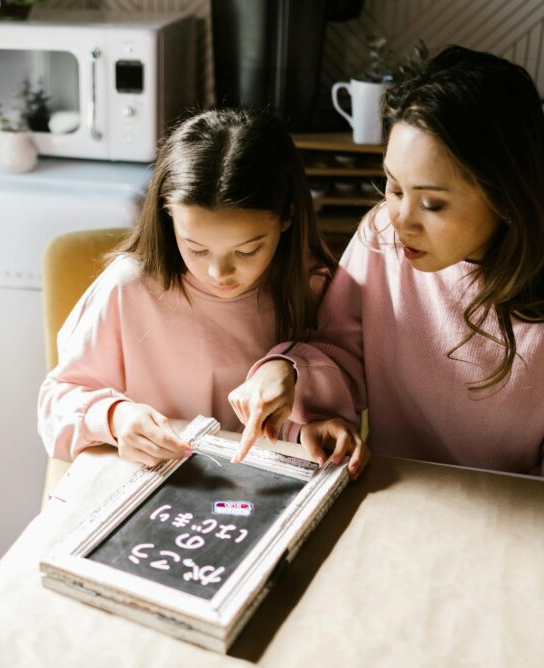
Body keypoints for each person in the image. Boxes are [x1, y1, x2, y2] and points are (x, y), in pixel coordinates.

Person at [230, 46, 544, 485]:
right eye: (393, 187)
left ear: (506, 195)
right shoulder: (382, 237)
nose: (401, 220)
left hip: (525, 522)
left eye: (432, 203)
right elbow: (340, 352)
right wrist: (287, 371)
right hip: (399, 496)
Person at [38, 108, 365, 470]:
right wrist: (116, 418)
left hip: (265, 481)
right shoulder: (128, 287)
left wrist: (308, 430)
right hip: (153, 479)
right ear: (167, 218)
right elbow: (57, 403)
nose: (218, 272)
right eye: (196, 248)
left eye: (247, 250)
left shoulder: (311, 285)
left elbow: (332, 391)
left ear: (287, 217)